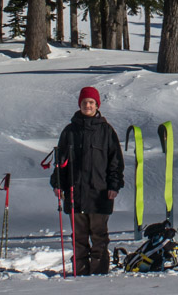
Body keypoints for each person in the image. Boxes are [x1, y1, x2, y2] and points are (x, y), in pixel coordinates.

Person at [50, 86, 125, 275]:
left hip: (100, 193)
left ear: (97, 105)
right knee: (79, 238)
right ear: (80, 104)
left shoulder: (106, 131)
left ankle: (99, 274)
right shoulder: (69, 131)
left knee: (99, 237)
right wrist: (58, 184)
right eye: (85, 102)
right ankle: (80, 274)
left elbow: (115, 162)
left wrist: (114, 185)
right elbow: (60, 162)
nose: (88, 106)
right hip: (75, 193)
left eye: (91, 102)